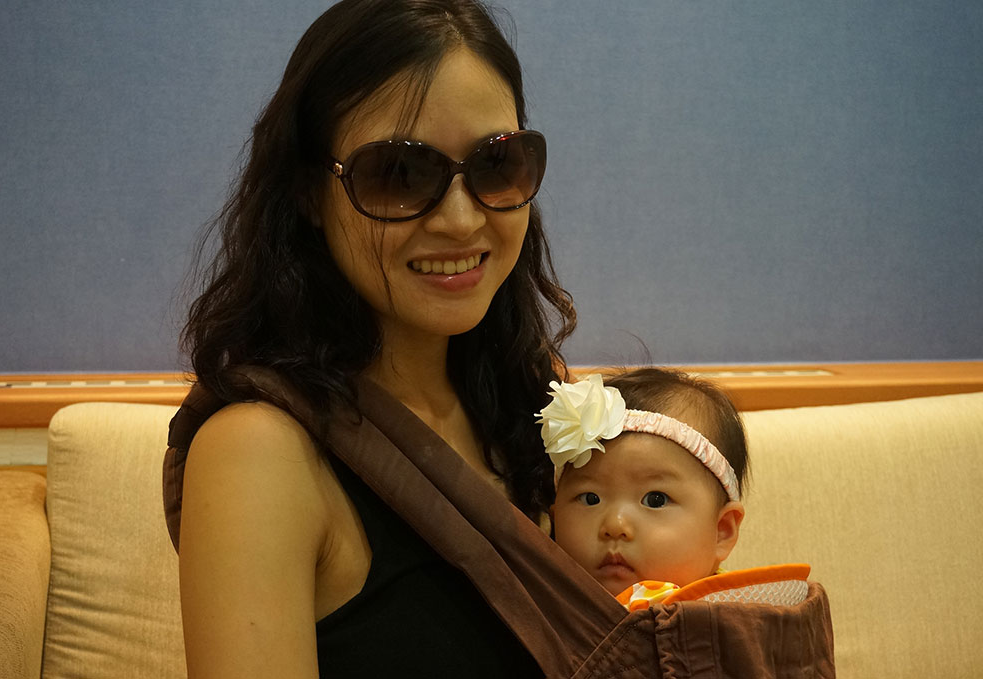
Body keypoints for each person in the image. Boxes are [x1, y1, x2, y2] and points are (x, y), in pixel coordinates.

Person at [163, 1, 574, 676]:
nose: (461, 219)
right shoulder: (258, 452)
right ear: (307, 193)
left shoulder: (529, 402)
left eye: (497, 163)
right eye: (398, 174)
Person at [542, 368, 811, 610]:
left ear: (721, 531)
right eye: (590, 498)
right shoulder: (543, 604)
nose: (614, 525)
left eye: (655, 500)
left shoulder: (742, 617)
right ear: (553, 520)